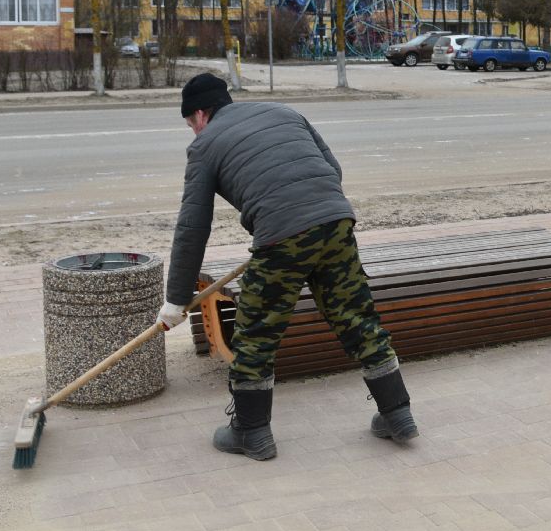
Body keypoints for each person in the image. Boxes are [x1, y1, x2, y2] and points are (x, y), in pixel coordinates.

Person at [157, 73, 417, 461]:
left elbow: (193, 226)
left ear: (200, 114)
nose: (192, 132)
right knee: (356, 316)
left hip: (283, 235)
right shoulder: (284, 111)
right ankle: (398, 414)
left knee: (256, 332)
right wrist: (306, 219)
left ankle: (250, 431)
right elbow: (332, 169)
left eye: (190, 124)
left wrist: (177, 300)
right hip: (335, 221)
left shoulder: (205, 145)